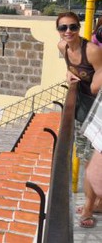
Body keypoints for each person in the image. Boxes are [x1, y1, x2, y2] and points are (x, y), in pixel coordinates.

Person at [57, 11, 102, 227]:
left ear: (79, 28)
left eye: (73, 27)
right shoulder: (62, 47)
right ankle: (94, 203)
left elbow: (95, 86)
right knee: (87, 160)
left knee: (92, 162)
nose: (68, 32)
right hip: (81, 112)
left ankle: (87, 209)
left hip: (97, 112)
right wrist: (69, 75)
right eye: (63, 28)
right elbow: (70, 69)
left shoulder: (92, 51)